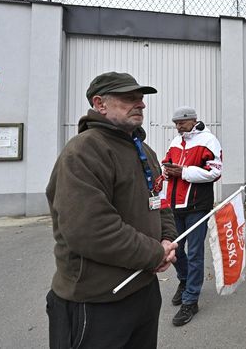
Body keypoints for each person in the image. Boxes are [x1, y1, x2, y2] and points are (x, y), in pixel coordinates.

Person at [46, 71, 178, 348]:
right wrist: (154, 253)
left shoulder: (145, 151)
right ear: (100, 103)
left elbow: (160, 201)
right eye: (129, 98)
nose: (140, 104)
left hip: (143, 288)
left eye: (141, 98)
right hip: (97, 300)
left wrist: (167, 238)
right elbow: (91, 230)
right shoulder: (84, 151)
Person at [162, 106, 222, 326]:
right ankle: (185, 280)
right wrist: (166, 171)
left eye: (181, 123)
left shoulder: (209, 140)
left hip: (197, 206)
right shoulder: (175, 141)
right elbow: (167, 162)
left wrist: (184, 172)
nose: (178, 127)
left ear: (193, 120)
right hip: (173, 205)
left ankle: (191, 300)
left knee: (195, 253)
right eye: (176, 123)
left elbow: (215, 171)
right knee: (174, 249)